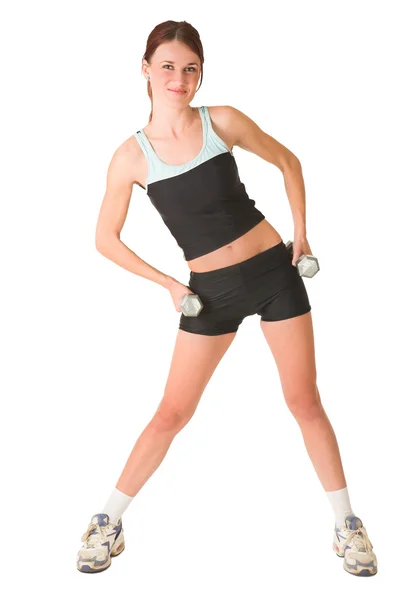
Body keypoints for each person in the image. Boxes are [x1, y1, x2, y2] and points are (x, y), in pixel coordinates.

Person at [76, 20, 377, 577]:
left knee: (304, 401)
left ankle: (348, 525)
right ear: (146, 69)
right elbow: (104, 240)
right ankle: (107, 521)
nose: (179, 78)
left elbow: (290, 162)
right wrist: (169, 283)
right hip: (207, 295)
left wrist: (301, 233)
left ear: (200, 74)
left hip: (273, 273)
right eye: (167, 66)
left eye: (190, 68)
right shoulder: (132, 158)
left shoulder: (224, 122)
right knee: (172, 412)